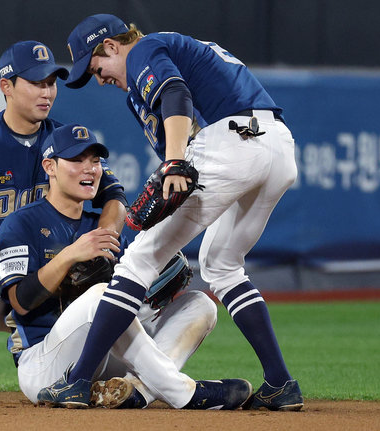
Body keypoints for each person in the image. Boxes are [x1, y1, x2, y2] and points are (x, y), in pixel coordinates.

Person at [37, 14, 303, 411]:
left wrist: (176, 163)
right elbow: (174, 124)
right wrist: (173, 164)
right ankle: (282, 384)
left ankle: (75, 382)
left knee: (137, 262)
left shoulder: (144, 48)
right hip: (277, 146)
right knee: (223, 265)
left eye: (97, 67)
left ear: (111, 46)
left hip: (232, 141)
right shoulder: (146, 78)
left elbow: (176, 93)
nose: (99, 78)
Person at [0, 123, 251, 410]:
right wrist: (68, 256)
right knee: (101, 296)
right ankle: (183, 393)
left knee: (200, 305)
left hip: (104, 359)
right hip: (45, 364)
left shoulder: (104, 225)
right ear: (50, 167)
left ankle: (135, 390)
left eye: (95, 161)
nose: (89, 168)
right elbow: (20, 301)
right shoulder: (21, 223)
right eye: (76, 160)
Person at [0, 40, 127, 402]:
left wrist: (107, 233)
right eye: (36, 82)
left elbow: (114, 194)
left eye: (51, 82)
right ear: (7, 86)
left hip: (50, 269)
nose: (47, 91)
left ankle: (73, 372)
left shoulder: (68, 145)